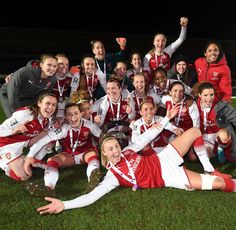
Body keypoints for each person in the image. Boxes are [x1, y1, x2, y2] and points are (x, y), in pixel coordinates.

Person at [36, 107, 235, 215]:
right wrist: (64, 204)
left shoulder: (128, 150)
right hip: (167, 176)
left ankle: (209, 168)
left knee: (195, 131)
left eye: (116, 146)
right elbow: (91, 197)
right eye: (111, 149)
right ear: (104, 153)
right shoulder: (112, 177)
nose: (116, 150)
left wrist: (166, 119)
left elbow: (146, 136)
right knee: (218, 184)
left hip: (164, 157)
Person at [25, 102, 102, 196]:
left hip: (85, 154)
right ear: (65, 117)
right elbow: (42, 141)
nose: (73, 117)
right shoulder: (63, 129)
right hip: (69, 155)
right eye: (69, 114)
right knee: (52, 160)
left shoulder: (89, 125)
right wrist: (29, 156)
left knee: (93, 155)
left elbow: (102, 137)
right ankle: (49, 188)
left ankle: (93, 182)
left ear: (80, 114)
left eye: (76, 113)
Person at [0, 93, 58, 181]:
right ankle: (2, 162)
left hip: (19, 144)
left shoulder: (46, 120)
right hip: (4, 143)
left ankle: (22, 159)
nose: (50, 107)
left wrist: (48, 132)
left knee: (28, 172)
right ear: (39, 103)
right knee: (24, 176)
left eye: (54, 105)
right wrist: (13, 131)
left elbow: (31, 141)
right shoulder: (25, 114)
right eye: (47, 103)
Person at [196, 81, 236, 162]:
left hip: (219, 133)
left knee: (224, 136)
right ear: (199, 95)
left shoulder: (220, 105)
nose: (209, 98)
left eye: (211, 95)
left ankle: (220, 148)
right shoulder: (194, 105)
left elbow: (234, 115)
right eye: (205, 95)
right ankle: (214, 151)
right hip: (206, 136)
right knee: (205, 157)